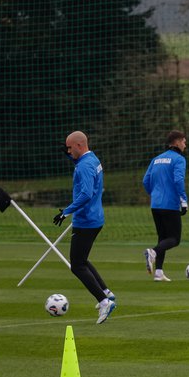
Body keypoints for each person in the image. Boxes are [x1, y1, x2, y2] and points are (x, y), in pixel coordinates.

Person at [53, 131, 116, 324]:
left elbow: (86, 193)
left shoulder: (84, 166)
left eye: (70, 148)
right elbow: (84, 173)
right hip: (96, 218)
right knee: (82, 260)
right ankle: (107, 293)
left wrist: (66, 212)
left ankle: (104, 301)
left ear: (79, 146)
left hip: (86, 220)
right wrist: (71, 157)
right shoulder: (92, 159)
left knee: (77, 265)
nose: (68, 151)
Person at [142, 130, 188, 282]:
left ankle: (159, 272)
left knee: (163, 238)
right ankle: (152, 252)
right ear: (176, 142)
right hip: (170, 204)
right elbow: (178, 180)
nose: (185, 145)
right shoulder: (179, 159)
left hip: (155, 204)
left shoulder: (156, 159)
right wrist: (184, 200)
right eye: (183, 142)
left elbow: (145, 181)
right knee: (174, 239)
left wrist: (154, 193)